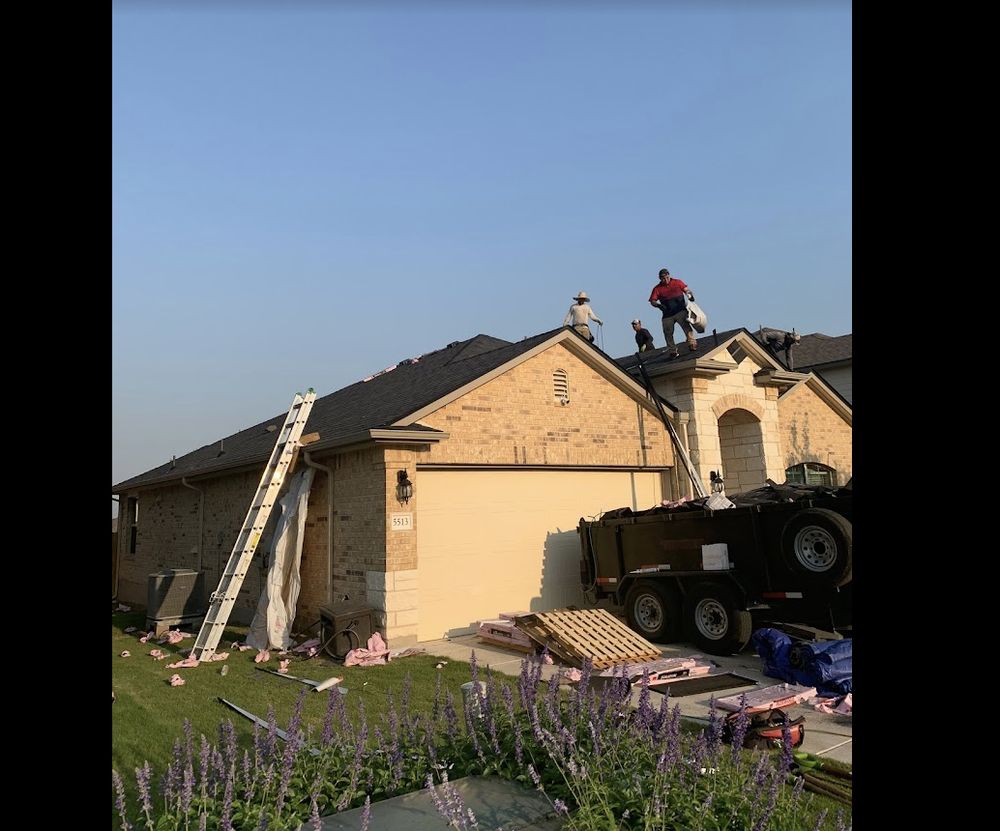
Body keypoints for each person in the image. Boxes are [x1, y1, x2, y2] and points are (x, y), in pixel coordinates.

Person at [648, 268, 697, 358]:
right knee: (667, 332)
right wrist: (658, 305)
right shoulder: (657, 288)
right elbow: (652, 301)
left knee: (686, 327)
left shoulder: (677, 282)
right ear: (660, 278)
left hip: (680, 310)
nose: (665, 279)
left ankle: (692, 343)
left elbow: (686, 289)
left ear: (669, 275)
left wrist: (690, 296)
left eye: (667, 277)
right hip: (667, 314)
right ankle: (672, 351)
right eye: (663, 278)